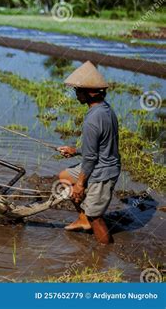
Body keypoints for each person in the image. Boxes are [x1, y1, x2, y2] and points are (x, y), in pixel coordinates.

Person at [57, 61, 121, 244]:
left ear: (89, 92)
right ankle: (83, 219)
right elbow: (99, 147)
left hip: (103, 172)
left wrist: (80, 185)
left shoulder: (93, 119)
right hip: (98, 163)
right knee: (64, 176)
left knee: (96, 217)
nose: (76, 95)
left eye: (78, 91)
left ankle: (104, 252)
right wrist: (76, 150)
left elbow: (92, 157)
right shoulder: (105, 109)